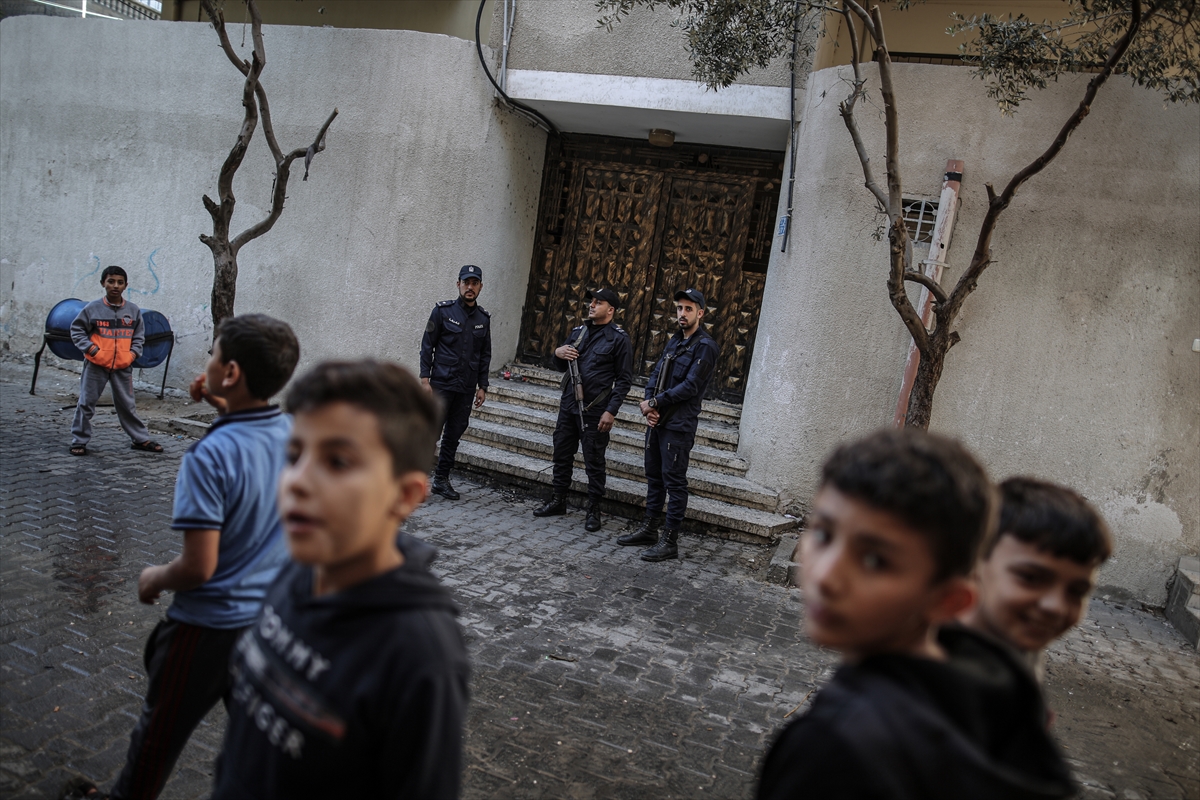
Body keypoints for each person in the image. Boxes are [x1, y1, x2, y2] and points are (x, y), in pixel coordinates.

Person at [757, 429, 1076, 800]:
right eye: (825, 534)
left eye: (875, 560)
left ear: (949, 600)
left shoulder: (830, 748)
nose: (826, 576)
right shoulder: (997, 689)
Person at [58, 314, 300, 800]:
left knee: (158, 735)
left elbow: (198, 567)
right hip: (269, 625)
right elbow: (253, 443)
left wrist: (154, 577)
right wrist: (222, 404)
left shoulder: (207, 457)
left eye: (212, 354)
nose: (205, 362)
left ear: (230, 373)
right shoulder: (294, 434)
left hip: (205, 630)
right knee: (261, 740)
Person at [210, 360, 470, 799]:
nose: (297, 482)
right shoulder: (297, 568)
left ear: (405, 495)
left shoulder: (419, 654)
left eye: (337, 461)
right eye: (294, 456)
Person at [961, 476, 1112, 681]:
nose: (1056, 606)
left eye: (1077, 592)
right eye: (1030, 578)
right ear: (973, 564)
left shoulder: (1018, 645)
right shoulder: (927, 682)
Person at [617, 288, 720, 562]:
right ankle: (650, 530)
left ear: (700, 313)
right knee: (654, 477)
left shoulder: (705, 347)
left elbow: (691, 386)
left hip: (678, 425)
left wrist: (656, 404)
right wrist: (650, 404)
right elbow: (655, 374)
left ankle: (670, 541)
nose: (682, 314)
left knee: (674, 482)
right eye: (679, 308)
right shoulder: (675, 341)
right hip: (658, 421)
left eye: (688, 309)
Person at [533, 288, 633, 532]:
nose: (592, 305)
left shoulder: (619, 339)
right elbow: (559, 364)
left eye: (598, 302)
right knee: (562, 453)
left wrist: (611, 411)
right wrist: (557, 352)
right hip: (569, 405)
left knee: (594, 461)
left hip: (595, 409)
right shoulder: (579, 331)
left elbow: (624, 380)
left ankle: (594, 510)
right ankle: (558, 500)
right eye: (592, 301)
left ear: (610, 310)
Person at [68, 265, 162, 456]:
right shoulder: (92, 309)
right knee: (86, 403)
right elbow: (76, 330)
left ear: (126, 285)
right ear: (103, 283)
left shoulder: (133, 311)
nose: (115, 286)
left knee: (127, 405)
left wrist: (132, 355)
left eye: (120, 282)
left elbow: (139, 337)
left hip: (122, 366)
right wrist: (92, 350)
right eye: (111, 281)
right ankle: (79, 440)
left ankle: (140, 440)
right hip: (96, 364)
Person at [419, 264, 491, 501]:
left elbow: (484, 354)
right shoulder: (442, 311)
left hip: (466, 387)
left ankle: (441, 480)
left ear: (480, 286)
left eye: (474, 283)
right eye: (466, 282)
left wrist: (483, 386)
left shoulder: (483, 319)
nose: (470, 287)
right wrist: (424, 379)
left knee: (454, 434)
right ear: (458, 284)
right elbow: (427, 345)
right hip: (441, 384)